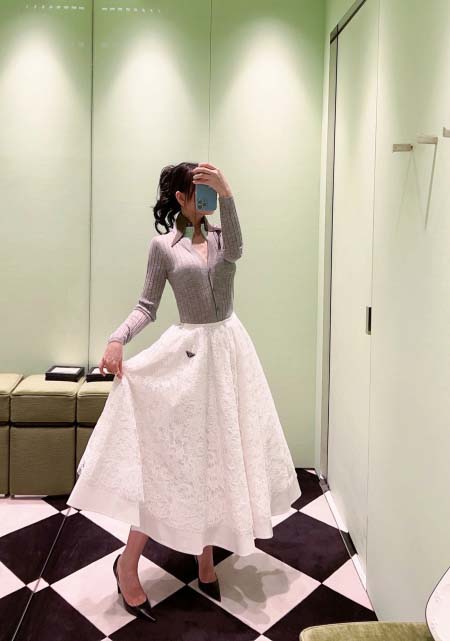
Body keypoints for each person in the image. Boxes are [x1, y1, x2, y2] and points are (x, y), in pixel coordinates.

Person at [67, 161, 302, 622]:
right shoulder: (163, 247)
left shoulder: (222, 237)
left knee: (217, 459)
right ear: (180, 197)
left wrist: (227, 192)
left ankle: (205, 558)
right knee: (173, 463)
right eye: (200, 192)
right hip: (189, 360)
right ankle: (127, 565)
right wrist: (117, 338)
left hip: (230, 356)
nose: (207, 199)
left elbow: (238, 250)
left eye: (211, 191)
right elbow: (147, 304)